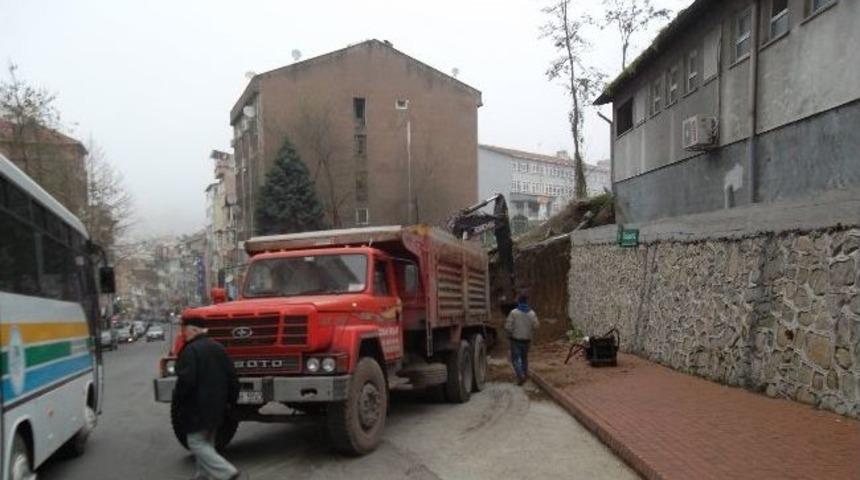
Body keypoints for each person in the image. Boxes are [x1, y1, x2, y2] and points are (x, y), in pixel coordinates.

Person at [174, 317, 242, 480]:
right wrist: (231, 402)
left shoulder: (190, 351)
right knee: (207, 442)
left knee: (196, 443)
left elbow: (186, 382)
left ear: (195, 330)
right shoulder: (219, 348)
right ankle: (203, 476)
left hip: (197, 407)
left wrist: (178, 402)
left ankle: (228, 473)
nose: (184, 334)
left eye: (186, 330)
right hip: (217, 406)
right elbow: (233, 378)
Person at [505, 294, 539, 385]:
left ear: (518, 302)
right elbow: (536, 326)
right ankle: (525, 374)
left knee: (515, 359)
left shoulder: (513, 313)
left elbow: (508, 327)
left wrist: (510, 333)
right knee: (524, 358)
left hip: (515, 340)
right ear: (526, 302)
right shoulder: (532, 313)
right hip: (527, 340)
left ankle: (520, 375)